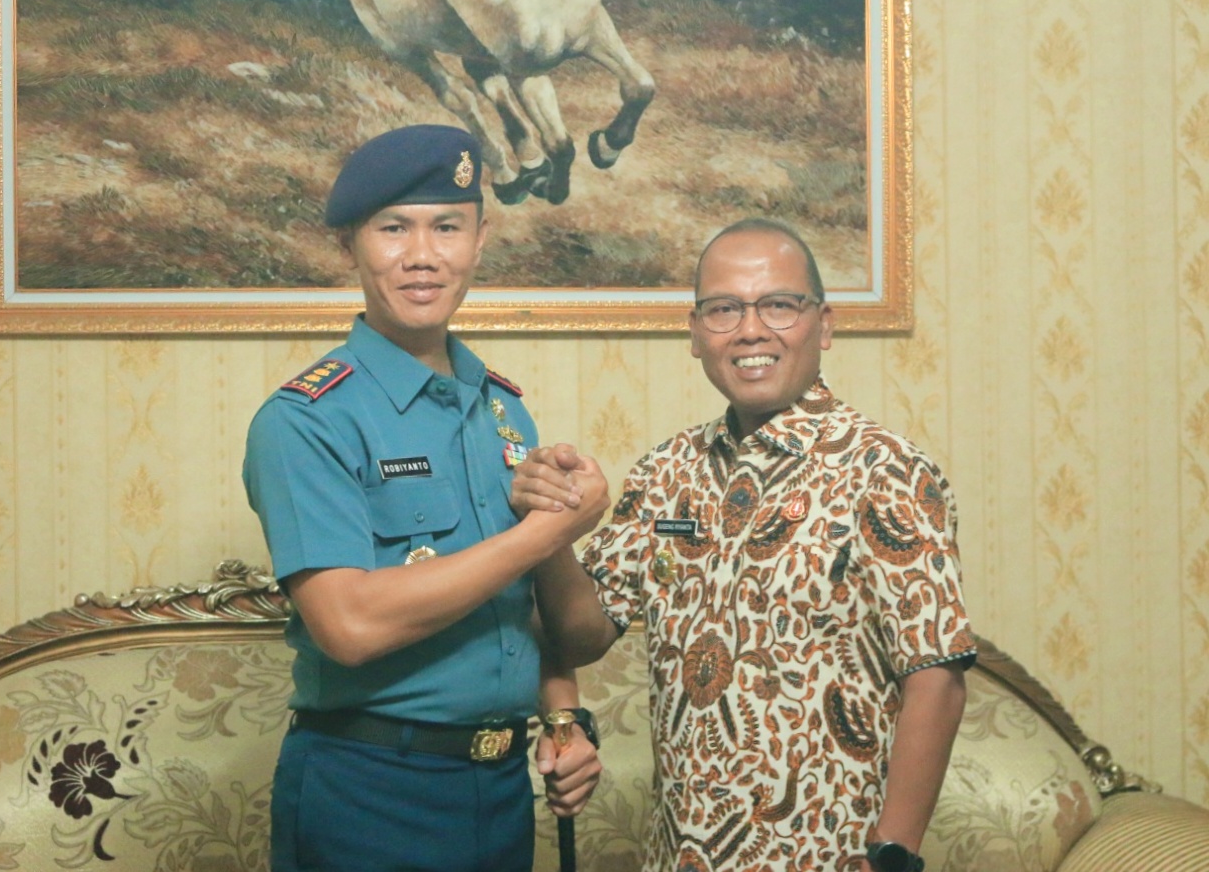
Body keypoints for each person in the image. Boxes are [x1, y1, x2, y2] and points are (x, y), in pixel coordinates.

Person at [515, 218, 977, 872]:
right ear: (696, 333)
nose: (751, 330)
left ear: (824, 325)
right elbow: (583, 636)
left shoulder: (889, 473)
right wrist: (551, 529)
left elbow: (936, 677)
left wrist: (892, 855)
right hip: (680, 857)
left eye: (779, 306)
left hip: (829, 857)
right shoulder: (665, 472)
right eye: (724, 309)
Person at [242, 124, 608, 872]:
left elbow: (556, 628)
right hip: (368, 791)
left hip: (500, 790)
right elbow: (347, 626)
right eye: (393, 229)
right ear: (350, 245)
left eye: (447, 226)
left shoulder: (503, 410)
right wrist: (541, 535)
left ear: (480, 238)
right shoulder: (307, 419)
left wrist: (563, 716)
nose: (422, 255)